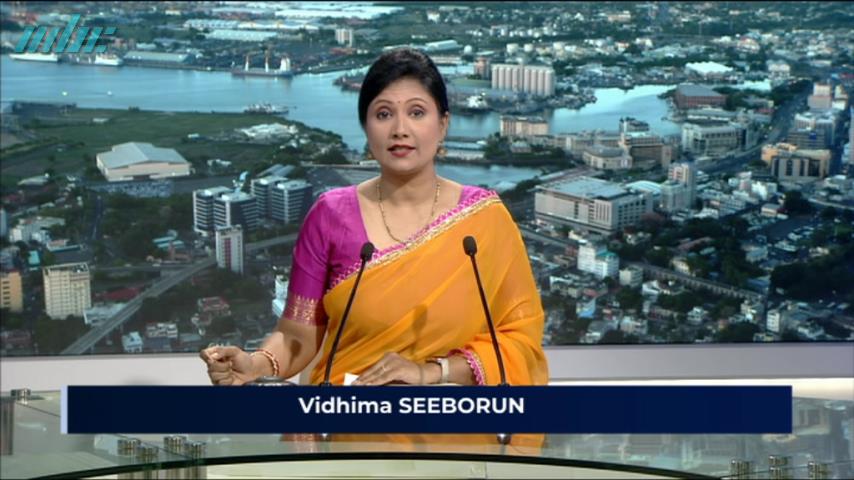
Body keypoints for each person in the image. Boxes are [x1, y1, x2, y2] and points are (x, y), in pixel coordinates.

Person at [200, 48, 548, 390]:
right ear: (366, 128)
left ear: (443, 125)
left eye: (417, 112)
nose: (400, 129)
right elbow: (297, 336)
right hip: (346, 415)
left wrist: (431, 372)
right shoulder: (329, 216)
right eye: (383, 114)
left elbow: (520, 342)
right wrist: (255, 365)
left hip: (456, 418)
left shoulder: (485, 220)